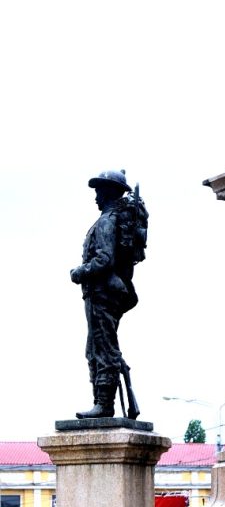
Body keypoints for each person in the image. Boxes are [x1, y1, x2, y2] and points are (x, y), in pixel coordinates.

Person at [70, 170, 145, 419]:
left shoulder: (106, 221)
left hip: (101, 293)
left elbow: (104, 259)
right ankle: (102, 401)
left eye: (99, 192)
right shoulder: (113, 219)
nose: (96, 197)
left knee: (102, 348)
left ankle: (104, 404)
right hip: (107, 293)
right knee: (99, 347)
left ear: (109, 193)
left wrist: (80, 272)